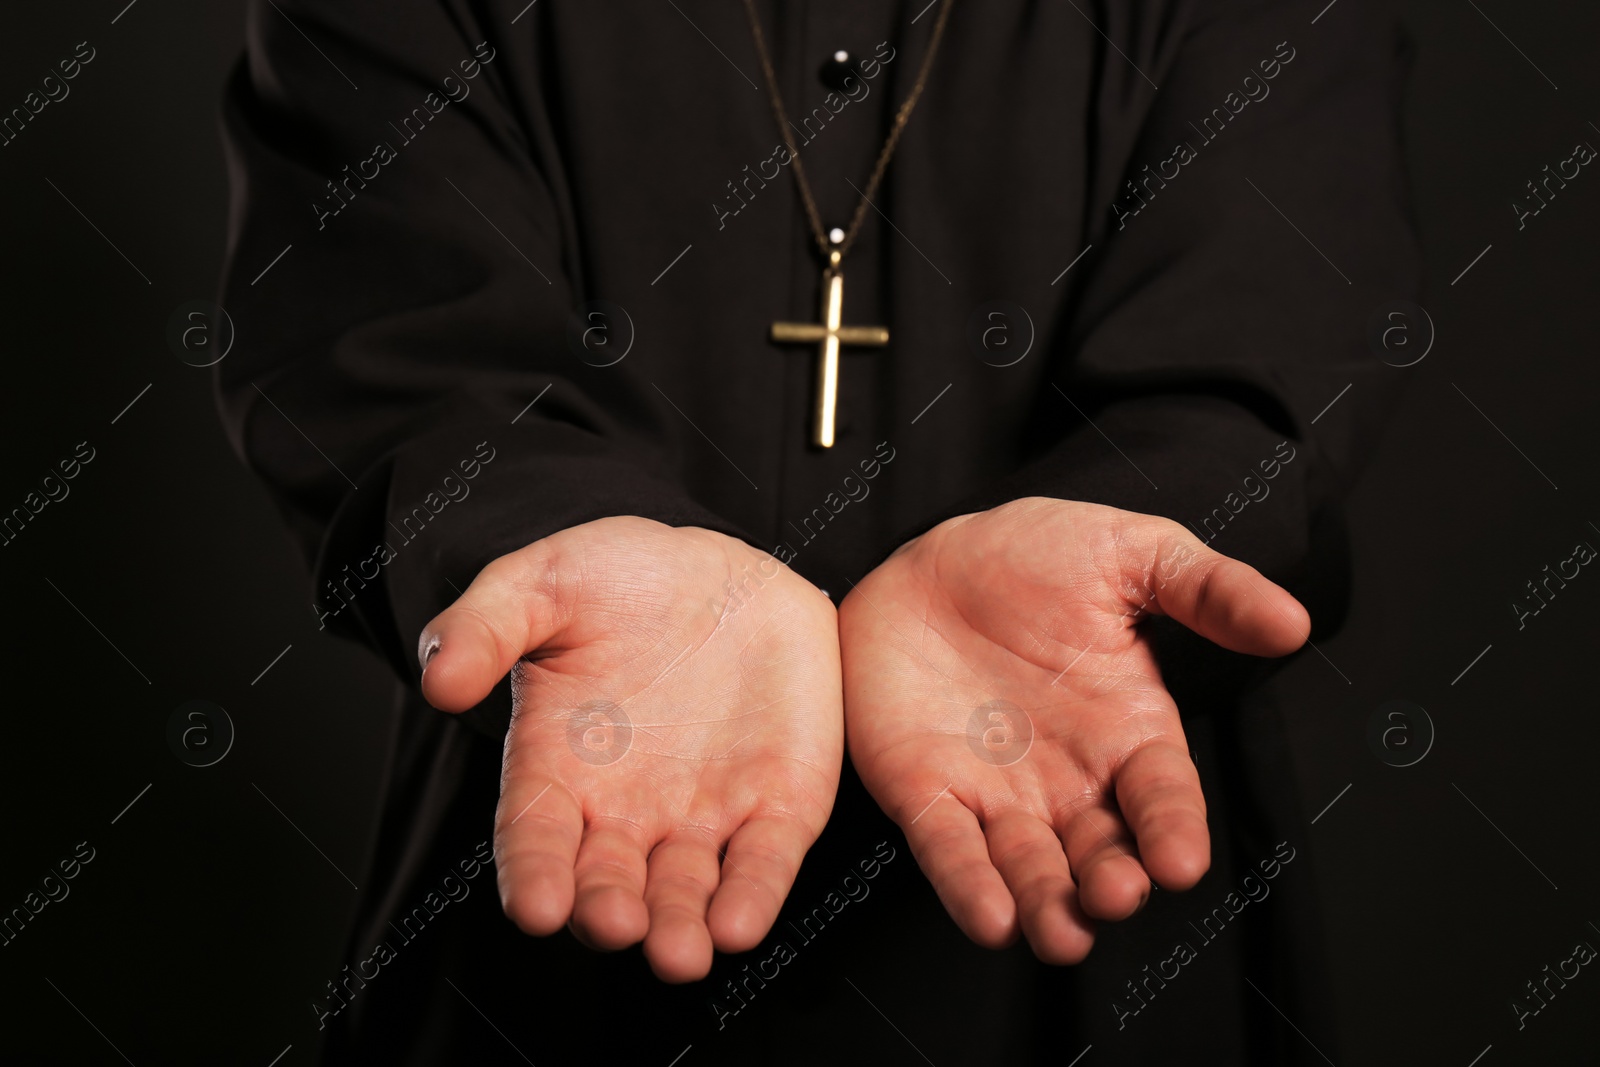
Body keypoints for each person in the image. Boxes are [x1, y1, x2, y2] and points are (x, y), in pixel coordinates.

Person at [218, 0, 1418, 1062]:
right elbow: (384, 342)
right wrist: (547, 533)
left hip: (1091, 866)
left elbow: (1274, 333)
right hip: (554, 876)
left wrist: (1138, 518)